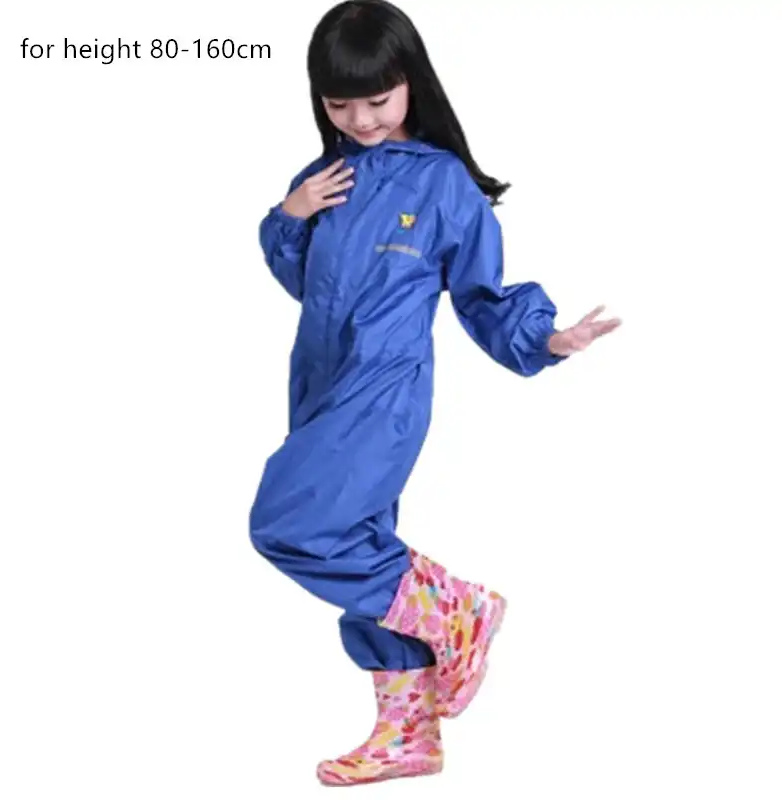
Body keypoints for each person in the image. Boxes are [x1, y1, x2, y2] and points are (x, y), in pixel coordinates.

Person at [249, 0, 621, 787]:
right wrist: (288, 217)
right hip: (317, 382)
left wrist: (544, 338)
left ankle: (459, 608)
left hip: (383, 393)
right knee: (361, 546)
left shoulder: (443, 184)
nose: (360, 120)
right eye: (339, 105)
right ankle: (406, 733)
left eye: (377, 100)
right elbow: (304, 282)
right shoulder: (322, 177)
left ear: (410, 82)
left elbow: (482, 295)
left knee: (289, 524)